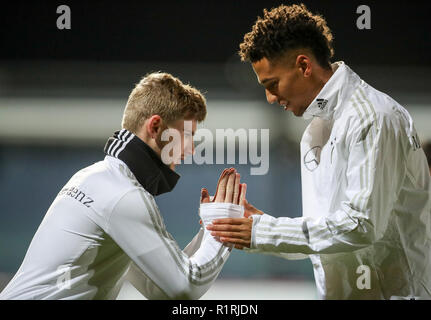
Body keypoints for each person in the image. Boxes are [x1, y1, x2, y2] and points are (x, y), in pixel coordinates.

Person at [207, 4, 431, 299]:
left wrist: (263, 231)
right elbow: (326, 238)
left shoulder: (372, 117)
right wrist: (256, 224)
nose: (271, 98)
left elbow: (361, 226)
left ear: (303, 65)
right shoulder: (316, 128)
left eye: (272, 84)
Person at [0, 72, 246, 300]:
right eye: (187, 136)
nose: (191, 149)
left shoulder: (96, 177)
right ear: (156, 127)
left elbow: (157, 287)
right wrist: (225, 226)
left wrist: (213, 228)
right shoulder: (124, 195)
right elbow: (184, 288)